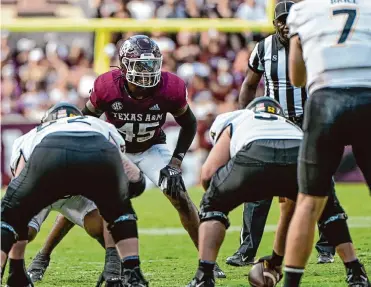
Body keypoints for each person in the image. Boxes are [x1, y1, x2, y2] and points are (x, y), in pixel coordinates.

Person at [26, 35, 226, 281]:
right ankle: (42, 256)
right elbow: (85, 120)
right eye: (141, 65)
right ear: (123, 65)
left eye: (152, 65)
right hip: (117, 150)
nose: (148, 71)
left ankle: (207, 262)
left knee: (180, 195)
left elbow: (190, 123)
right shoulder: (107, 87)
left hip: (152, 148)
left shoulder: (170, 87)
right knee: (85, 196)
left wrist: (175, 163)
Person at [186, 97, 368, 287]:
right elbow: (288, 213)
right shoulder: (290, 125)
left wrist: (217, 201)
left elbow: (208, 173)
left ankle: (204, 276)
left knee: (212, 205)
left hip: (253, 153)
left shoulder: (238, 118)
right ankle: (355, 273)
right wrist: (276, 260)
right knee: (330, 212)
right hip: (299, 154)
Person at [228, 0, 334, 267]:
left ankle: (326, 246)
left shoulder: (312, 43)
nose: (287, 25)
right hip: (274, 123)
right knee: (257, 185)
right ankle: (246, 250)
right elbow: (249, 85)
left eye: (291, 20)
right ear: (274, 23)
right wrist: (245, 120)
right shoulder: (263, 48)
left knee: (320, 184)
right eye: (282, 20)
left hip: (307, 122)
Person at [1, 103, 148, 287]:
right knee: (114, 210)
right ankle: (120, 272)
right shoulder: (100, 125)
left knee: (14, 220)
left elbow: (17, 189)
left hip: (47, 167)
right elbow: (129, 176)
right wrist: (127, 192)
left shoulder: (32, 134)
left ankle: (15, 272)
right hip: (91, 157)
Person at [284, 0, 371, 286]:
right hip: (368, 97)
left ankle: (291, 283)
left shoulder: (303, 10)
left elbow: (296, 78)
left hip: (326, 101)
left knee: (309, 203)